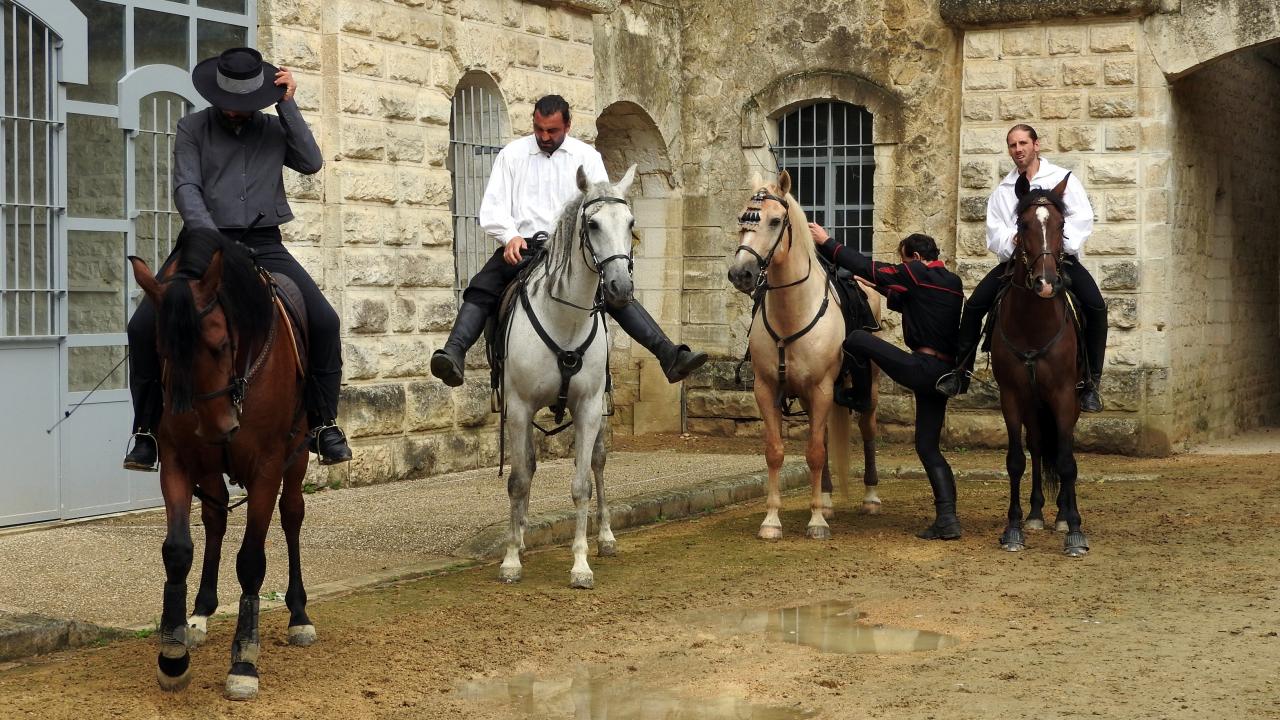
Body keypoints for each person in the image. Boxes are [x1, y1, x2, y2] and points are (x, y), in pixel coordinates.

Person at [123, 47, 352, 470]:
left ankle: (323, 423)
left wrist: (289, 107)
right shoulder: (191, 127)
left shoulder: (273, 126)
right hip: (203, 239)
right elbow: (186, 188)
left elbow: (312, 162)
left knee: (325, 320)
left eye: (243, 103)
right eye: (228, 102)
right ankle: (145, 431)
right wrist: (211, 237)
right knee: (141, 325)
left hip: (264, 242)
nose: (234, 111)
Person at [430, 95, 706, 387]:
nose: (544, 137)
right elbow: (493, 206)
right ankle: (454, 353)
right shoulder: (512, 154)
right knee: (483, 285)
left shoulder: (587, 157)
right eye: (539, 129)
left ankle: (668, 355)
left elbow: (602, 205)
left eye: (552, 131)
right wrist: (508, 236)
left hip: (573, 249)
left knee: (616, 290)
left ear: (568, 126)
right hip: (525, 245)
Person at [810, 223, 966, 540]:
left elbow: (872, 267)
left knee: (856, 338)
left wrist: (827, 243)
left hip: (922, 368)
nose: (902, 267)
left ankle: (859, 397)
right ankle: (948, 519)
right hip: (944, 375)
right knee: (927, 447)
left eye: (904, 262)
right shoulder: (951, 282)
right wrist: (878, 286)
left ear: (917, 258)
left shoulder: (915, 274)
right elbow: (910, 298)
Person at [936, 123, 1107, 412]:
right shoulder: (1003, 190)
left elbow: (1082, 218)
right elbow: (994, 232)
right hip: (1016, 263)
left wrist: (1056, 245)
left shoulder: (1062, 179)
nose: (1018, 150)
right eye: (1013, 145)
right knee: (976, 305)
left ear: (1036, 145)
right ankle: (961, 372)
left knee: (1096, 307)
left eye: (1023, 143)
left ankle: (1090, 383)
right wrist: (1013, 240)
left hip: (1059, 259)